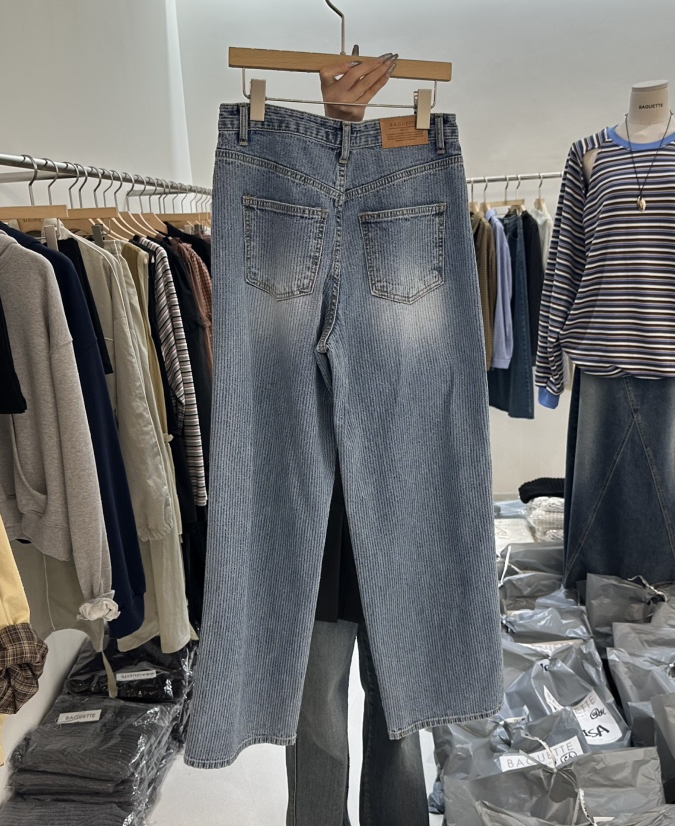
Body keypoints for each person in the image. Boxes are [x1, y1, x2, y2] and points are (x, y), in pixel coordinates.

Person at [284, 53, 430, 826]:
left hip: (395, 509)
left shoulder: (409, 235)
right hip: (315, 522)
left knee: (398, 713)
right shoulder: (292, 235)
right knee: (317, 716)